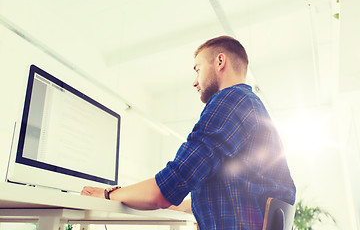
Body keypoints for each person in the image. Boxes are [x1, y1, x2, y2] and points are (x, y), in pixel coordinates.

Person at [81, 36, 296, 230]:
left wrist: (108, 193)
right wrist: (183, 206)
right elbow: (219, 197)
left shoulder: (230, 101)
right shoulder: (251, 105)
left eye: (198, 69)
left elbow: (166, 189)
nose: (195, 81)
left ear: (220, 61)